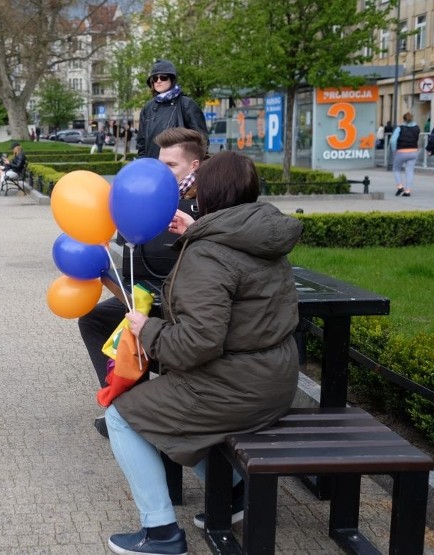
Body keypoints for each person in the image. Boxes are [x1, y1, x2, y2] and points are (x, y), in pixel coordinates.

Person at [101, 151, 302, 555]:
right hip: (276, 380)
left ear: (207, 194)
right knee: (167, 410)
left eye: (195, 188)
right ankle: (234, 494)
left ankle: (161, 533)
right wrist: (199, 231)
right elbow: (235, 278)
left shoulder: (208, 254)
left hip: (236, 387)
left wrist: (148, 329)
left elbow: (197, 343)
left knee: (122, 416)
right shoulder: (261, 235)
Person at [79, 127, 206, 435]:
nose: (161, 173)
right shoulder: (146, 194)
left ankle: (134, 409)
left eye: (171, 166)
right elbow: (130, 254)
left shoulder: (206, 199)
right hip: (147, 293)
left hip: (188, 302)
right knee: (94, 319)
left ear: (194, 166)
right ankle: (122, 402)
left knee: (137, 324)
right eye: (159, 163)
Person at [135, 60, 208, 160]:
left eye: (163, 77)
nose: (159, 81)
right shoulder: (148, 108)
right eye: (155, 78)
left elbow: (201, 141)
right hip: (153, 165)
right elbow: (141, 143)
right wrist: (144, 164)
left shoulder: (186, 104)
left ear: (172, 79)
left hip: (180, 166)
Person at [390, 111, 418, 197]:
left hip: (401, 152)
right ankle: (408, 191)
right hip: (413, 151)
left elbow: (392, 140)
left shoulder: (400, 128)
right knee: (409, 171)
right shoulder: (417, 128)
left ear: (404, 119)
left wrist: (394, 151)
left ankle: (400, 186)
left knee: (396, 169)